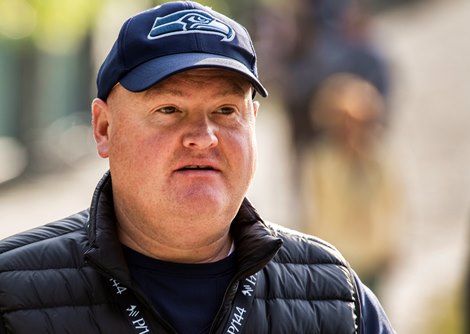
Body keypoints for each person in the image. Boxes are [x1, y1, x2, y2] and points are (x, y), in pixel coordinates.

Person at [0, 2, 395, 333]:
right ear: (104, 129)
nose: (204, 137)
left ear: (253, 121)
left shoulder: (337, 298)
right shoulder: (11, 296)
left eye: (226, 110)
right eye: (169, 109)